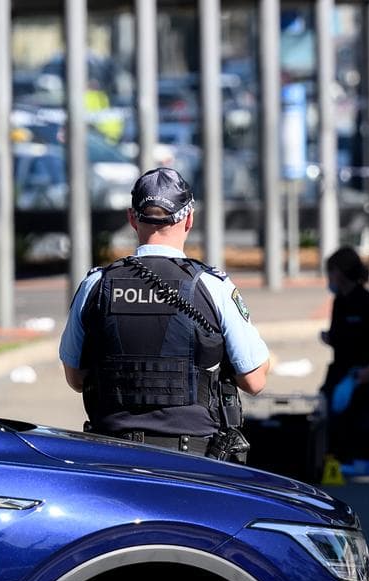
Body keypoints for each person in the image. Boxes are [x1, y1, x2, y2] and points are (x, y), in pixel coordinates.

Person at [59, 167, 268, 460]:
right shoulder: (212, 286)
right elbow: (255, 380)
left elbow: (76, 378)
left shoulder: (96, 284)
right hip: (194, 464)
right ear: (189, 219)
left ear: (132, 219)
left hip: (112, 460)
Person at [321, 247, 369, 473]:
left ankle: (368, 456)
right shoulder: (340, 303)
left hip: (366, 383)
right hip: (340, 374)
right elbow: (343, 339)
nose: (329, 279)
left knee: (363, 415)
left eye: (330, 273)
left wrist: (356, 379)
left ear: (340, 272)